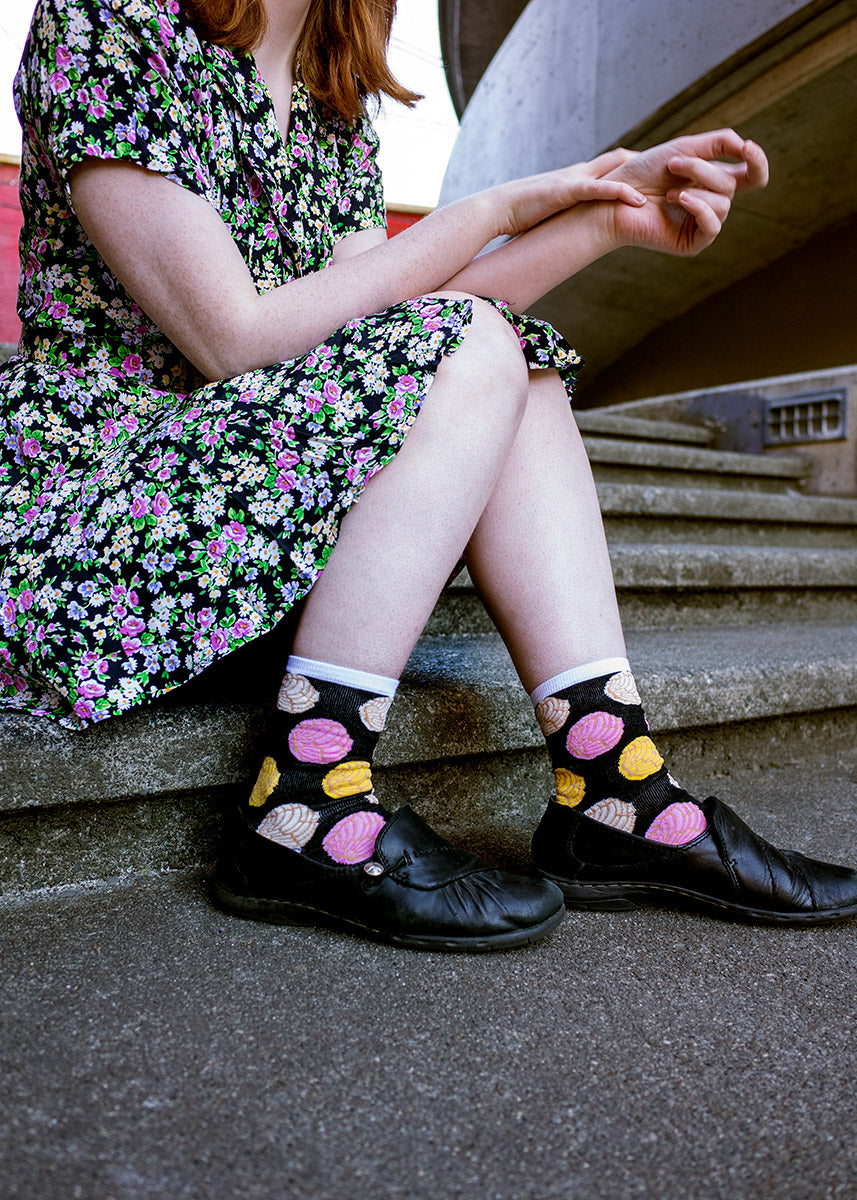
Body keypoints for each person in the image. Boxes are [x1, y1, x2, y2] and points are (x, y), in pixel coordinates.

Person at [2, 0, 856, 951]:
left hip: (268, 543)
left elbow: (407, 326)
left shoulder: (332, 101)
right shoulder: (108, 25)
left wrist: (611, 222)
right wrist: (495, 208)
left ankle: (614, 792)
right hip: (111, 551)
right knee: (464, 341)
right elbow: (236, 340)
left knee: (514, 363)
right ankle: (303, 804)